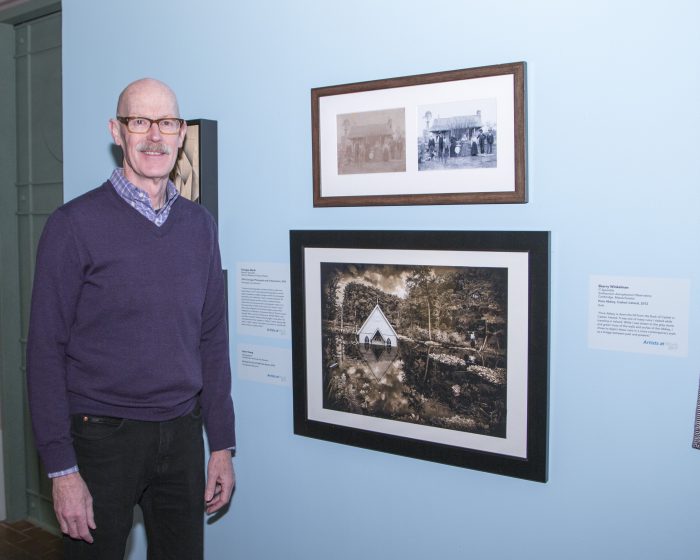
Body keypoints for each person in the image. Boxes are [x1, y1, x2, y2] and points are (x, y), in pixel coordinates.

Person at [26, 78, 235, 560]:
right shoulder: (72, 225)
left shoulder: (199, 227)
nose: (154, 136)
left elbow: (212, 339)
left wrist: (221, 443)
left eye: (166, 123)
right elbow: (44, 352)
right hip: (101, 440)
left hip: (182, 434)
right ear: (116, 132)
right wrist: (61, 470)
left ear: (181, 133)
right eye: (139, 122)